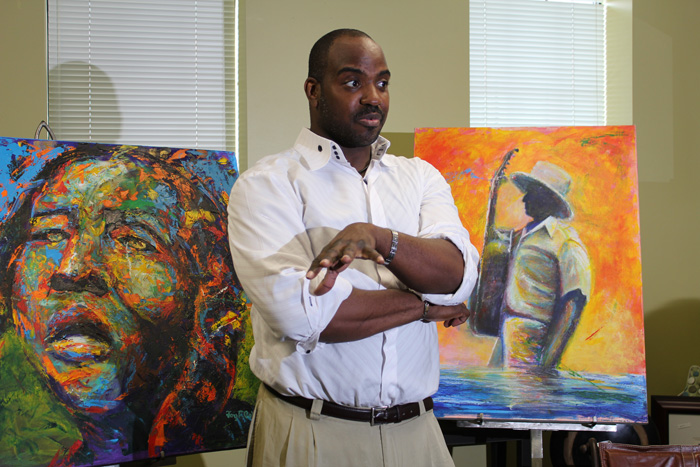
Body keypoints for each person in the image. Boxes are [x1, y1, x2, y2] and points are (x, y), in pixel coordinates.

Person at [227, 29, 479, 466]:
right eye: (352, 82)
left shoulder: (420, 177)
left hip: (419, 434)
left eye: (381, 83)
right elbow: (302, 314)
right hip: (311, 433)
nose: (372, 97)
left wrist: (379, 238)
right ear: (313, 90)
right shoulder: (267, 185)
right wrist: (423, 307)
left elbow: (456, 278)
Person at [0, 146, 252, 466]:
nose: (73, 269)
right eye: (50, 233)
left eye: (133, 240)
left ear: (205, 288)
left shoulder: (238, 423)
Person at [489, 161, 592, 370]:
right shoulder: (521, 236)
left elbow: (574, 300)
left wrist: (548, 361)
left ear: (549, 199)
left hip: (535, 339)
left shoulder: (565, 241)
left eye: (533, 193)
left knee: (527, 398)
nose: (525, 198)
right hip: (507, 331)